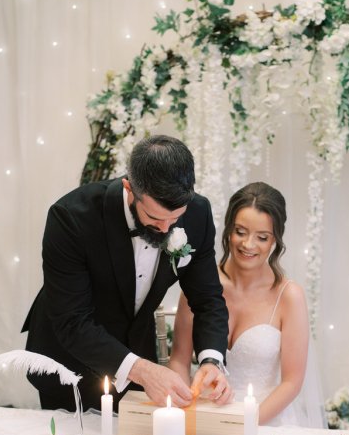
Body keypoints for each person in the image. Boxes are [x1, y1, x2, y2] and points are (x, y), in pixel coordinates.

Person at [22, 135, 232, 412]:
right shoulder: (70, 218)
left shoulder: (198, 213)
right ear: (129, 189)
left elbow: (208, 300)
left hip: (134, 354)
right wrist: (142, 370)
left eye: (175, 219)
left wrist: (211, 361)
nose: (166, 228)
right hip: (68, 362)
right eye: (156, 218)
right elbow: (72, 321)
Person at [170, 181, 325, 427]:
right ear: (228, 229)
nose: (248, 245)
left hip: (264, 420)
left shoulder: (289, 296)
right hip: (203, 415)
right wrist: (184, 412)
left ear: (275, 240)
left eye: (262, 237)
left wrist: (244, 426)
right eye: (240, 232)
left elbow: (292, 382)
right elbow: (179, 359)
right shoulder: (198, 285)